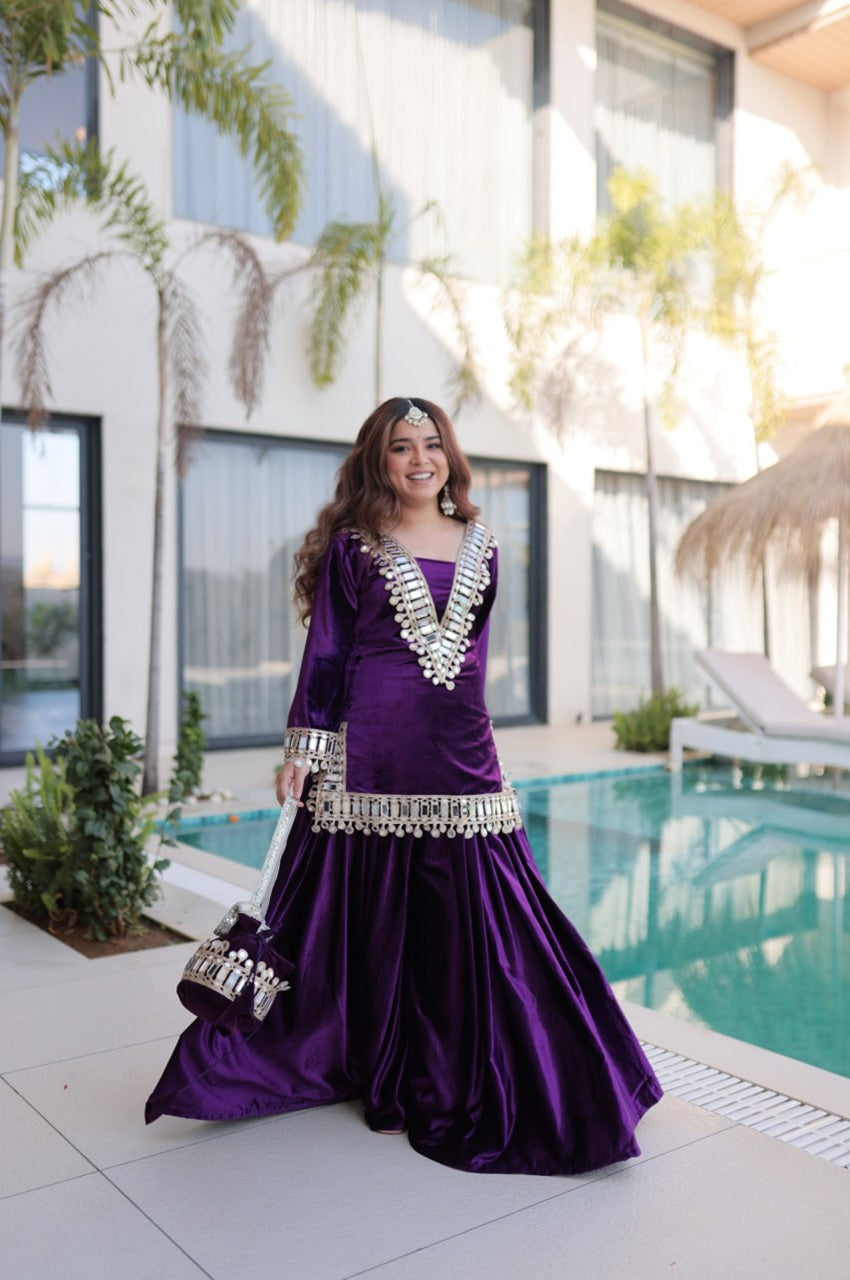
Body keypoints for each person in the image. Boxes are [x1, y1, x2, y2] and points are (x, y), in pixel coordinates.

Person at [146, 396, 662, 1175]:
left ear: (450, 457)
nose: (420, 459)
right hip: (367, 755)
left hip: (458, 751)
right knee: (368, 921)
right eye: (401, 447)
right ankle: (376, 1071)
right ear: (377, 461)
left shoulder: (484, 544)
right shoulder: (355, 546)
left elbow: (472, 660)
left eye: (432, 444)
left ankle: (492, 1074)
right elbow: (326, 656)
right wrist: (303, 749)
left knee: (479, 920)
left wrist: (479, 739)